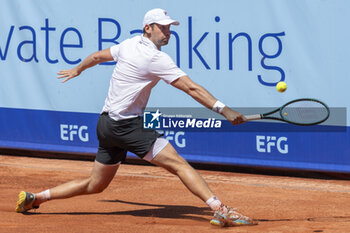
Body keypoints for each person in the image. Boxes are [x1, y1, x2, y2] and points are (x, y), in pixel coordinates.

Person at [15, 8, 257, 227]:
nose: (168, 32)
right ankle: (220, 209)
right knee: (179, 164)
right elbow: (190, 88)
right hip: (127, 126)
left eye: (169, 27)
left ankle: (35, 198)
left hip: (106, 124)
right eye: (162, 27)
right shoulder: (156, 58)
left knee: (95, 185)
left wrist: (78, 69)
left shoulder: (128, 45)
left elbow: (98, 57)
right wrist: (224, 110)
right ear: (147, 28)